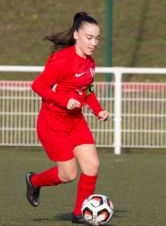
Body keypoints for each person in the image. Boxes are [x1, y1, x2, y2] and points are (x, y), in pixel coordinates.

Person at [25, 12, 110, 224]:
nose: (94, 42)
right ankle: (34, 181)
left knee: (92, 166)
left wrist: (98, 110)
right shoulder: (62, 60)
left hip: (75, 121)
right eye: (89, 37)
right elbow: (38, 86)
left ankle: (80, 213)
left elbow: (87, 90)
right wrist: (64, 101)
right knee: (68, 174)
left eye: (97, 38)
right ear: (76, 36)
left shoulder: (90, 63)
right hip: (53, 123)